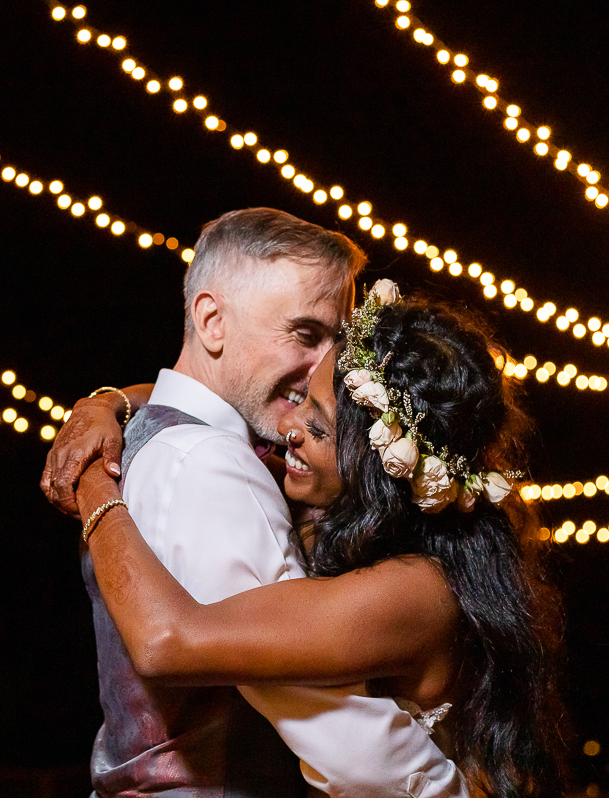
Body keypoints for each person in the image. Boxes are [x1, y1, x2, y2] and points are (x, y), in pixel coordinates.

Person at [60, 285, 569, 797]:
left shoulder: (414, 591)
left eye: (318, 427)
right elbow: (205, 399)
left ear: (379, 466)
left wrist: (92, 480)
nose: (287, 427)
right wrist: (109, 403)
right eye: (301, 399)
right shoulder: (361, 519)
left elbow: (165, 642)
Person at [42, 208, 469, 798]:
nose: (330, 371)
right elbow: (333, 729)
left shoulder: (156, 433)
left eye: (336, 343)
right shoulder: (212, 464)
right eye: (305, 334)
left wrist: (110, 399)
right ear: (212, 322)